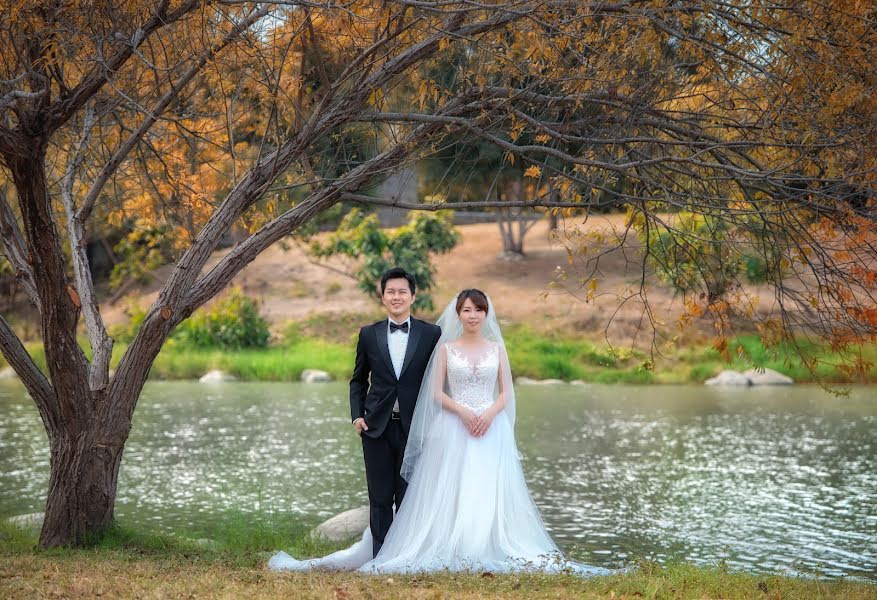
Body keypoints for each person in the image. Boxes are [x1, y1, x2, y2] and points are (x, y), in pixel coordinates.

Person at [269, 289, 611, 576]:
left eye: (479, 310)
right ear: (458, 314)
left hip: (491, 427)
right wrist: (463, 412)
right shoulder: (446, 349)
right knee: (452, 486)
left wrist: (489, 414)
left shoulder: (497, 349)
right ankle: (443, 543)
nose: (473, 315)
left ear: (486, 314)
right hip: (454, 425)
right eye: (466, 310)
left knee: (485, 487)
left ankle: (483, 544)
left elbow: (506, 392)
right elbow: (436, 393)